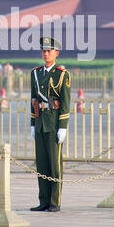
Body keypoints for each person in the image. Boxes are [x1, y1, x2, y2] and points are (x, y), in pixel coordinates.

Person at [30, 36, 71, 212]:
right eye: (44, 51)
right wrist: (33, 123)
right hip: (40, 123)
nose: (46, 54)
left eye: (49, 51)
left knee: (55, 165)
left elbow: (65, 103)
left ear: (56, 53)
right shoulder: (35, 73)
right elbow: (33, 99)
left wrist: (63, 127)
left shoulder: (62, 74)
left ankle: (54, 202)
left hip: (54, 123)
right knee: (42, 164)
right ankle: (43, 201)